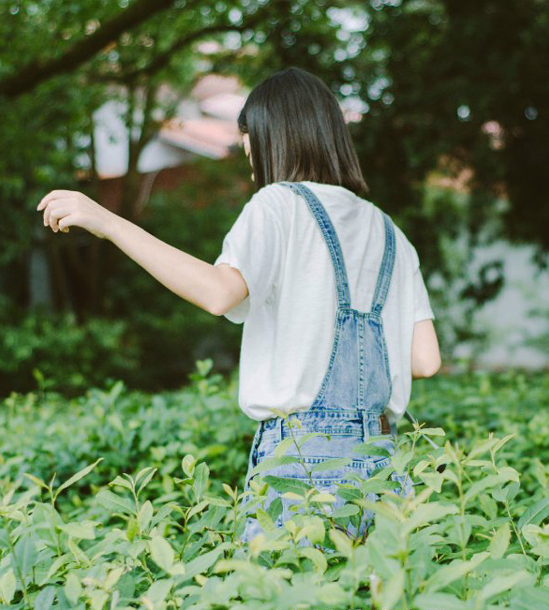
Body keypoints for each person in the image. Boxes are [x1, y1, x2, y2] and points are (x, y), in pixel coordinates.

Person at [35, 66, 442, 545]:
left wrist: (109, 223)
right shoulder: (390, 232)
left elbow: (218, 291)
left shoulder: (278, 204)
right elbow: (425, 360)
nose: (253, 169)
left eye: (253, 155)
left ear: (275, 142)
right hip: (382, 461)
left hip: (302, 462)